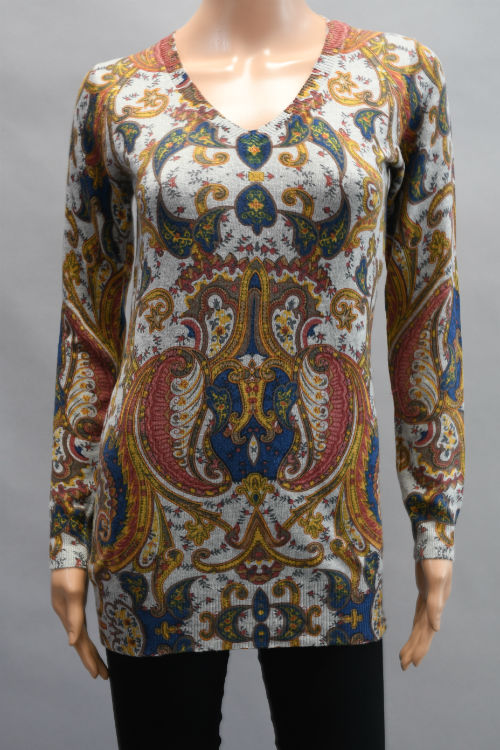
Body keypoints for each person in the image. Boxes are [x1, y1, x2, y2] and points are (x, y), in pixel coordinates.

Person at [49, 2, 464, 748]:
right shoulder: (117, 93)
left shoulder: (397, 77)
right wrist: (69, 535)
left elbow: (425, 308)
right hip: (155, 524)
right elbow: (89, 327)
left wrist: (435, 519)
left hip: (330, 521)